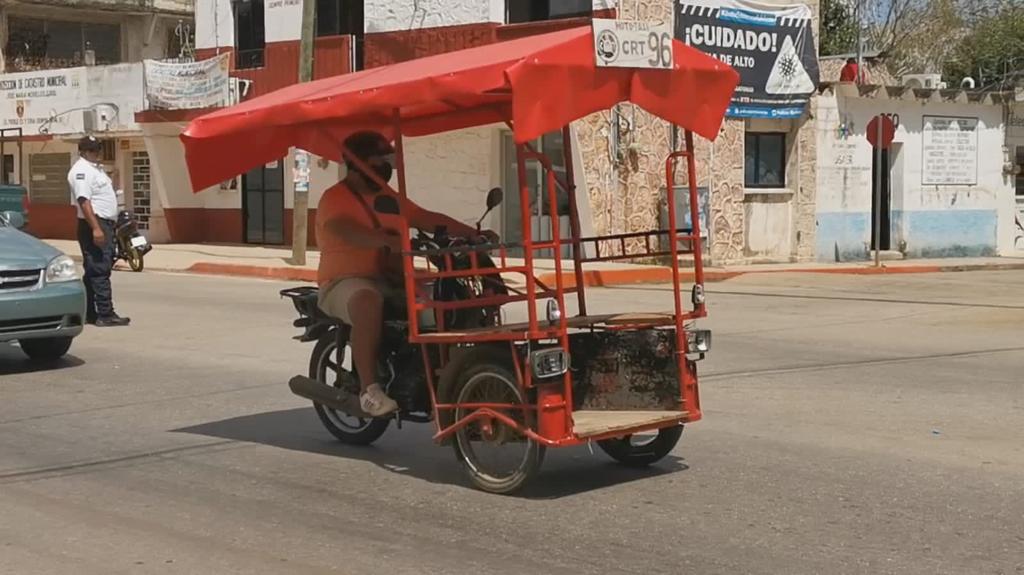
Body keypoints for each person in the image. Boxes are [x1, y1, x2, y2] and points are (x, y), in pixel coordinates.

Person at [315, 131, 497, 417]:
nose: (386, 168)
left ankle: (439, 373)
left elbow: (426, 218)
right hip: (345, 280)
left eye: (388, 161)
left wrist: (472, 234)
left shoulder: (387, 196)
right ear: (360, 164)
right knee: (367, 301)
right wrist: (382, 239)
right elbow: (341, 228)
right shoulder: (335, 198)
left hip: (392, 278)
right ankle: (369, 391)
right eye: (380, 161)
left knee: (445, 301)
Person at [69, 135, 130, 327]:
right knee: (100, 269)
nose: (97, 153)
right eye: (93, 150)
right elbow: (83, 201)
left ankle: (89, 312)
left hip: (104, 223)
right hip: (94, 224)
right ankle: (105, 313)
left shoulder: (95, 170)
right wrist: (96, 228)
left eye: (98, 150)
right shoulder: (81, 171)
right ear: (83, 151)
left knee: (93, 271)